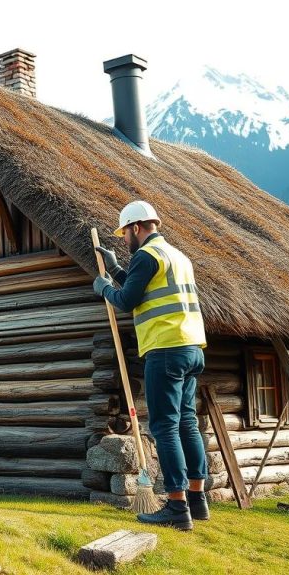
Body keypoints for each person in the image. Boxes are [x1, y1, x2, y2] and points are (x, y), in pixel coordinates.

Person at [92, 200, 209, 531]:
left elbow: (127, 300)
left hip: (166, 348)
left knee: (164, 426)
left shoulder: (146, 255)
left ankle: (176, 506)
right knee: (187, 423)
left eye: (125, 233)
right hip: (192, 348)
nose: (124, 240)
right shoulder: (176, 256)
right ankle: (197, 501)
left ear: (136, 228)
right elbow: (141, 288)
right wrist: (115, 272)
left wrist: (104, 288)